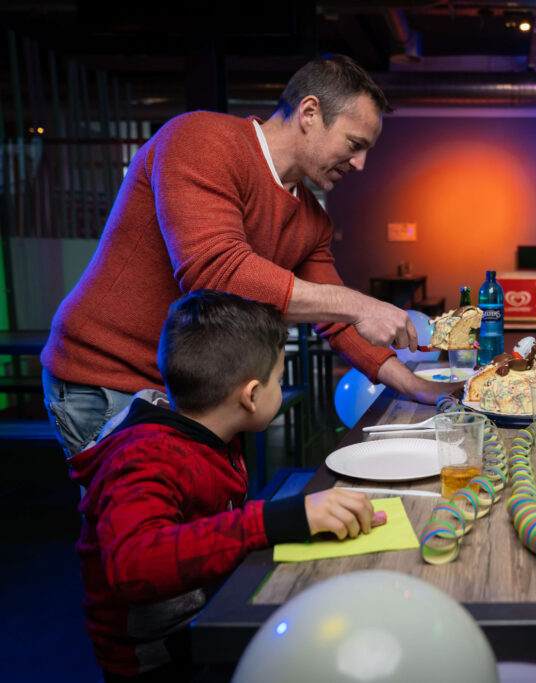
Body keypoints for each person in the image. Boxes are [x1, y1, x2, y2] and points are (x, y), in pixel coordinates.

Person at [41, 54, 457, 457]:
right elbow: (214, 271)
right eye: (354, 144)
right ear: (309, 113)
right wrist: (358, 303)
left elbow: (334, 316)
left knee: (198, 524)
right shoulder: (200, 139)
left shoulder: (311, 220)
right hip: (108, 375)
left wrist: (411, 384)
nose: (361, 163)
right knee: (138, 526)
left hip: (195, 388)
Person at [70, 290, 380, 681]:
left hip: (202, 615)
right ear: (250, 396)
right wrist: (271, 521)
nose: (280, 390)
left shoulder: (207, 433)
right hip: (159, 660)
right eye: (279, 381)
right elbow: (132, 563)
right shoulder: (143, 458)